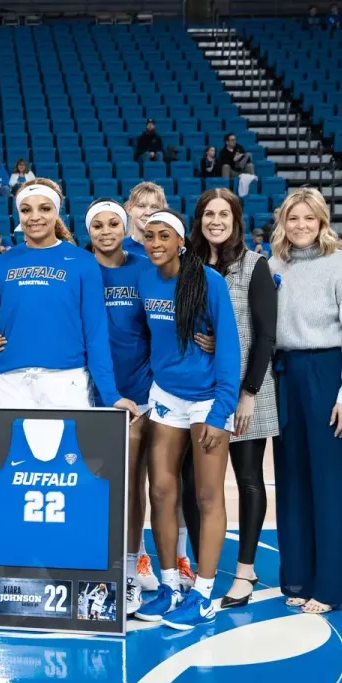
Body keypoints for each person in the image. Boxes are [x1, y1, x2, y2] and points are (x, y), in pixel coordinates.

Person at [131, 211, 240, 631]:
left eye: (164, 236)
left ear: (181, 240)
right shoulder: (145, 278)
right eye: (149, 236)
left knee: (208, 496)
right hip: (165, 397)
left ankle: (204, 594)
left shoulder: (209, 282)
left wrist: (221, 409)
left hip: (208, 398)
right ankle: (170, 586)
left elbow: (229, 349)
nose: (155, 242)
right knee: (160, 491)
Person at [0, 179, 139, 416]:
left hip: (67, 379)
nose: (35, 217)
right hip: (9, 381)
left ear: (57, 212)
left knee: (70, 454)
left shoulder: (83, 262)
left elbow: (95, 334)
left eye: (44, 208)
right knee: (15, 453)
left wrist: (110, 395)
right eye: (26, 210)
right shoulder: (2, 264)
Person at [266, 187, 342, 614]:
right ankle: (299, 576)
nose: (301, 226)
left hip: (329, 374)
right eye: (293, 218)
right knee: (292, 480)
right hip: (285, 375)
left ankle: (332, 584)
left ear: (323, 221)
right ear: (282, 223)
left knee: (333, 482)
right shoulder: (273, 266)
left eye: (309, 218)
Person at [178, 189, 279, 611]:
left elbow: (265, 333)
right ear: (198, 219)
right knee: (195, 486)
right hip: (197, 396)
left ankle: (244, 571)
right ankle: (202, 571)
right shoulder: (188, 265)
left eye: (224, 214)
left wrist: (249, 393)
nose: (216, 220)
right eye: (208, 214)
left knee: (248, 480)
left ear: (236, 219)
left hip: (243, 393)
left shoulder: (255, 265)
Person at [84, 199, 153, 615]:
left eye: (114, 224)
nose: (106, 231)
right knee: (96, 482)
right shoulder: (78, 267)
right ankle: (98, 563)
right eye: (97, 225)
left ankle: (132, 564)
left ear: (125, 227)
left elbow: (164, 320)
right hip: (89, 393)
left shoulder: (143, 267)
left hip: (139, 390)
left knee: (134, 480)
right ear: (87, 229)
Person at [123, 181, 191, 589]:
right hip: (125, 384)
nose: (147, 211)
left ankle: (180, 555)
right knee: (133, 479)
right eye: (141, 205)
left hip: (166, 383)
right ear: (130, 208)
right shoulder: (117, 255)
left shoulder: (173, 258)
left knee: (168, 476)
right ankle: (138, 557)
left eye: (155, 206)